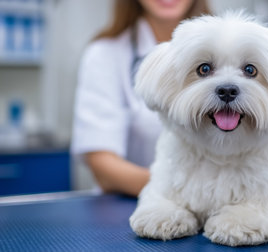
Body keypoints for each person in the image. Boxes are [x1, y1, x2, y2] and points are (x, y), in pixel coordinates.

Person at [71, 0, 211, 197]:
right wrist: (190, 192)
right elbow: (102, 165)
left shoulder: (230, 48)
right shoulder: (106, 54)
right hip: (128, 206)